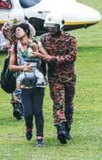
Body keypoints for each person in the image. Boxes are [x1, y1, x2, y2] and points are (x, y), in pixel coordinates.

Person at [34, 12, 77, 144]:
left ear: (60, 26)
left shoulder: (70, 39)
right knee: (58, 102)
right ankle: (60, 128)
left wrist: (55, 59)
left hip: (68, 77)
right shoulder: (44, 39)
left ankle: (67, 127)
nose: (50, 28)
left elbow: (72, 56)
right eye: (49, 26)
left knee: (68, 104)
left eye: (54, 26)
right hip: (54, 77)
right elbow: (39, 53)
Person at [8, 23, 46, 147]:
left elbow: (46, 57)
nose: (16, 33)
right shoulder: (14, 47)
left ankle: (40, 138)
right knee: (28, 113)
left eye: (19, 30)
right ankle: (28, 127)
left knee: (38, 111)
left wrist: (38, 56)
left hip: (37, 83)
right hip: (24, 84)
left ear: (26, 31)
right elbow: (11, 66)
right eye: (15, 31)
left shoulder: (36, 44)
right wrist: (22, 67)